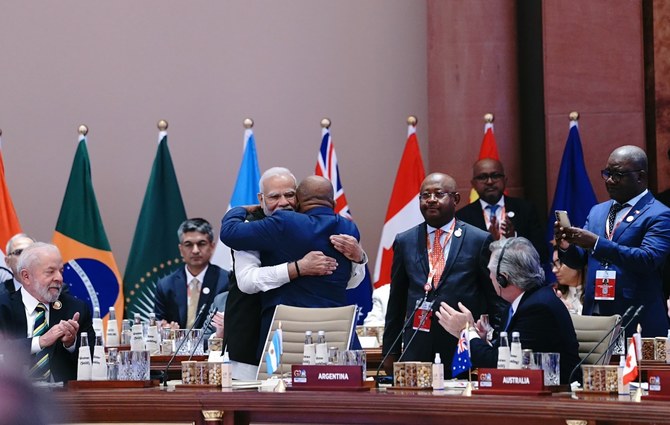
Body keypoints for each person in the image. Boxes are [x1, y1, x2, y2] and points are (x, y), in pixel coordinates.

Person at [222, 167, 366, 379]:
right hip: (249, 339)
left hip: (295, 332)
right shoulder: (347, 226)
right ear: (261, 199)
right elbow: (247, 281)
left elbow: (351, 282)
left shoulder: (289, 222)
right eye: (274, 197)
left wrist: (360, 258)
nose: (283, 202)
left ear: (299, 197)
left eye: (289, 195)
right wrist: (296, 269)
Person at [382, 172, 504, 375]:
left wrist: (497, 343)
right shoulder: (405, 240)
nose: (431, 200)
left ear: (455, 199)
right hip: (417, 344)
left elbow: (495, 299)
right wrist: (390, 352)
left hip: (460, 343)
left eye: (438, 194)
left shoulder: (478, 239)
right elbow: (396, 301)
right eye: (425, 195)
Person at [556, 145, 670, 337]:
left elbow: (648, 259)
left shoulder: (660, 214)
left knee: (634, 368)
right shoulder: (597, 211)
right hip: (597, 314)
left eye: (617, 175)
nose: (609, 180)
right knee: (597, 367)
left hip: (637, 316)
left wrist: (596, 243)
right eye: (607, 173)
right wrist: (566, 245)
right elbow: (578, 261)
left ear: (640, 176)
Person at [435, 237, 580, 384]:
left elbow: (501, 366)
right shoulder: (520, 305)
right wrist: (482, 341)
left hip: (556, 397)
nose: (490, 276)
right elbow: (502, 356)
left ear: (502, 278)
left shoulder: (538, 309)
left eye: (491, 272)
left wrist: (466, 330)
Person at [0, 242, 94, 382]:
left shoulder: (75, 309)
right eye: (50, 272)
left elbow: (92, 360)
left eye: (61, 271)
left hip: (63, 400)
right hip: (12, 399)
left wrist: (71, 344)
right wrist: (40, 341)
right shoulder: (3, 307)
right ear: (26, 276)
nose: (59, 278)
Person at [456, 158, 548, 265]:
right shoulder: (462, 217)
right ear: (473, 184)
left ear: (505, 180)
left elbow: (541, 253)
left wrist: (514, 238)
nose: (489, 182)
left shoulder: (525, 209)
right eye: (483, 177)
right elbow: (463, 259)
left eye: (495, 176)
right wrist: (490, 243)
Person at [154, 218, 230, 330]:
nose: (195, 250)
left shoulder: (226, 281)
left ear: (212, 246)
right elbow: (159, 322)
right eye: (188, 244)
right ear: (180, 249)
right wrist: (165, 328)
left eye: (201, 244)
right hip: (177, 346)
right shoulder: (166, 285)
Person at [551, 246, 584, 315]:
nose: (554, 270)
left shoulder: (596, 296)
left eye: (559, 263)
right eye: (553, 264)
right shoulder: (555, 295)